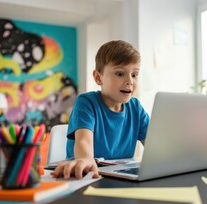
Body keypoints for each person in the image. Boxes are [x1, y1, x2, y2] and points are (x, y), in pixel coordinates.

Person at [52, 40, 150, 179]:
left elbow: (154, 146)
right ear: (98, 78)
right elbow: (83, 140)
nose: (130, 81)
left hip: (121, 177)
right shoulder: (86, 102)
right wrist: (86, 158)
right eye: (120, 73)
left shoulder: (136, 108)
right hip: (87, 176)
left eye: (134, 74)